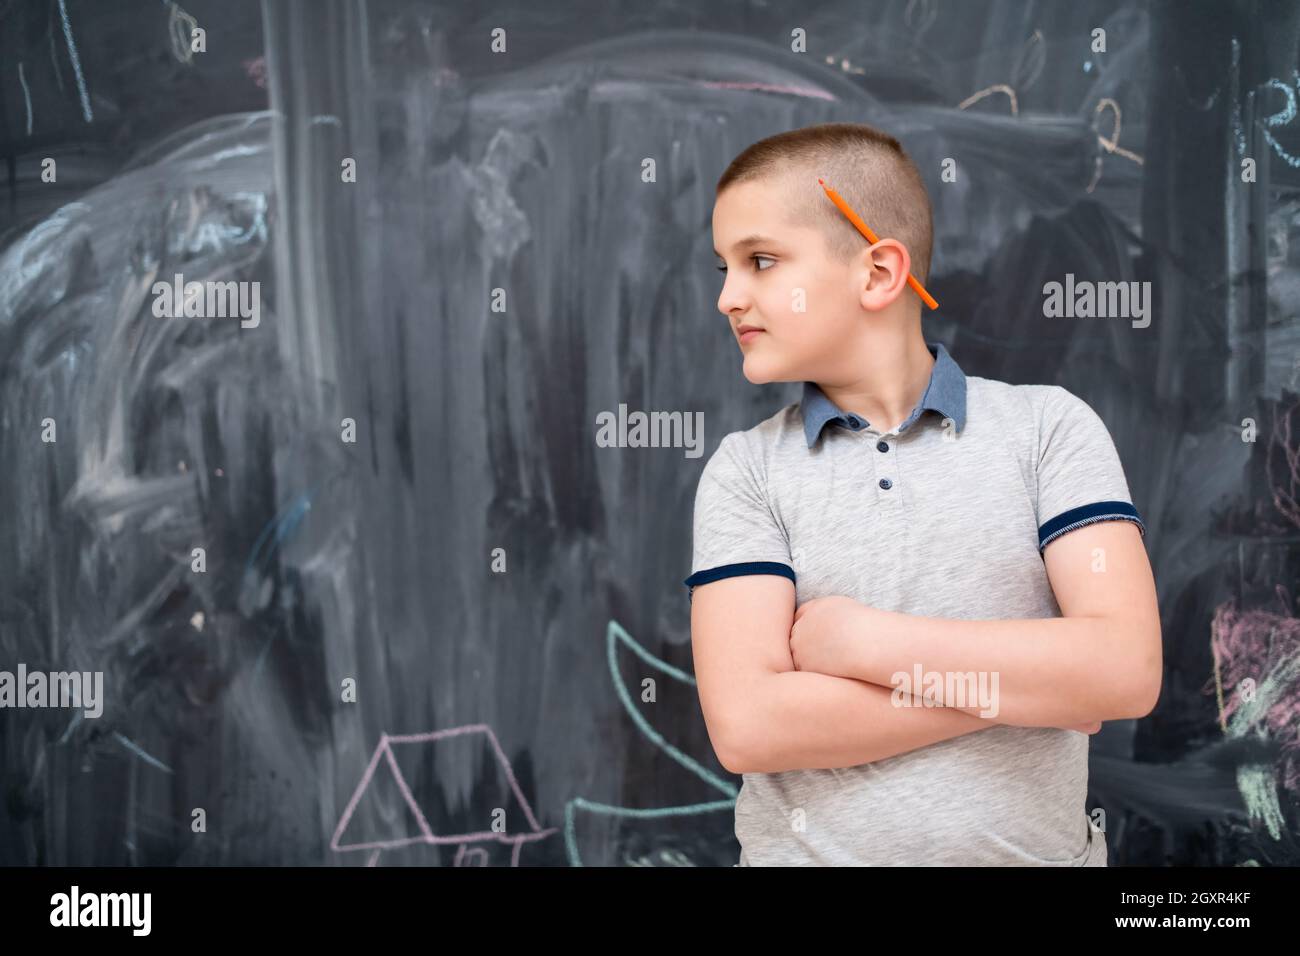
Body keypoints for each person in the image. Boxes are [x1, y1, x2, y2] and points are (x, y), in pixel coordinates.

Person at [685, 122, 1161, 866]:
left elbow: (1124, 671)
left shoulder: (1049, 430)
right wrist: (1028, 691)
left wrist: (863, 645)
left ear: (878, 273)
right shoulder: (745, 471)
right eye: (724, 267)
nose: (727, 297)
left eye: (761, 261)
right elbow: (751, 726)